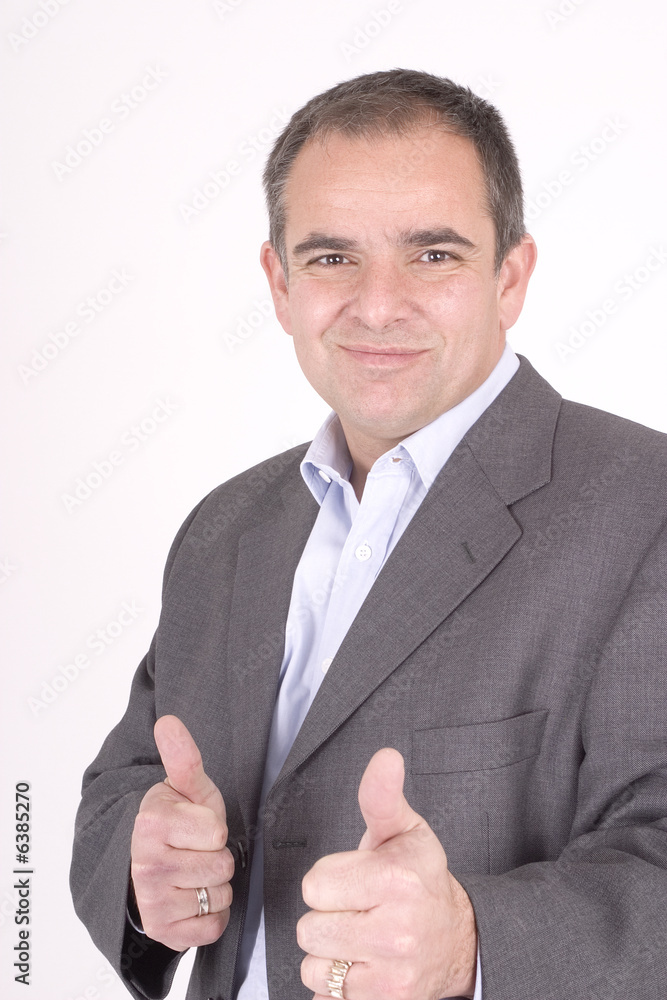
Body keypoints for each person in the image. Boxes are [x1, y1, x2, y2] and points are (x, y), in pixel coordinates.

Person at [70, 69, 667, 1000]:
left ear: (509, 278)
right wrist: (143, 864)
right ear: (279, 284)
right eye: (330, 257)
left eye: (432, 254)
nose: (378, 305)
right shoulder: (223, 530)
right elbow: (129, 781)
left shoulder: (645, 507)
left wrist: (474, 946)